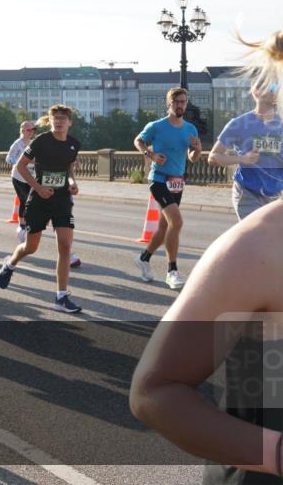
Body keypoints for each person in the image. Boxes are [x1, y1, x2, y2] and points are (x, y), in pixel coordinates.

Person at [129, 29, 283, 484]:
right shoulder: (261, 246)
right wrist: (242, 159)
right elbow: (154, 391)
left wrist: (193, 149)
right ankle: (164, 264)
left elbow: (200, 149)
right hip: (253, 203)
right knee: (173, 225)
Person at [0, 105, 83, 313]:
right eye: (55, 118)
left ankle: (61, 296)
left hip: (62, 199)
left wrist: (72, 182)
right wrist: (38, 188)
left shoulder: (73, 144)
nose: (59, 121)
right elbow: (20, 167)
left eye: (63, 118)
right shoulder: (41, 141)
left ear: (70, 122)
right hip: (39, 200)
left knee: (65, 245)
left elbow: (69, 167)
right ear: (50, 121)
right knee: (31, 247)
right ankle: (10, 264)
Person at [133, 88, 203, 289]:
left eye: (183, 101)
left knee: (165, 228)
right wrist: (150, 154)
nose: (180, 105)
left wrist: (198, 150)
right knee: (177, 222)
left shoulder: (190, 129)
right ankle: (172, 271)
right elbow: (138, 140)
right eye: (176, 102)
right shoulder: (156, 126)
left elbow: (192, 158)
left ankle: (144, 258)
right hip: (159, 180)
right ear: (169, 104)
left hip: (177, 181)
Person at [208, 78, 282, 220]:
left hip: (276, 195)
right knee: (257, 238)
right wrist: (242, 158)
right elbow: (213, 157)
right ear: (257, 92)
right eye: (271, 87)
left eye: (277, 87)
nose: (276, 90)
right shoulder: (239, 124)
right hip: (248, 193)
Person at [6, 121, 37, 243]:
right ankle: (23, 225)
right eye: (29, 130)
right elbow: (8, 158)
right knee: (24, 199)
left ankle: (24, 224)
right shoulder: (17, 144)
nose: (31, 132)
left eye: (33, 129)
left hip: (30, 177)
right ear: (23, 131)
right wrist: (21, 162)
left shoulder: (33, 143)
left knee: (28, 200)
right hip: (18, 177)